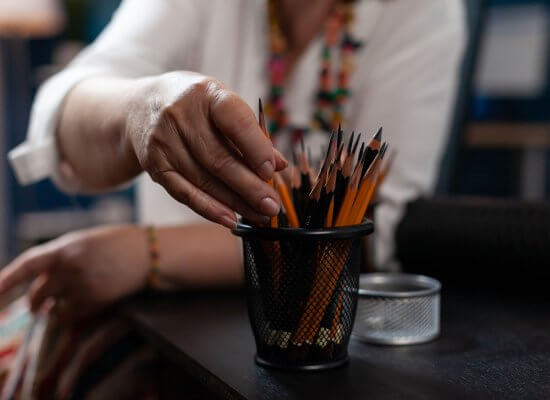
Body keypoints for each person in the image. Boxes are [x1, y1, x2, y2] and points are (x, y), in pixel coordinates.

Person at [4, 0, 465, 322]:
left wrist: (147, 254)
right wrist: (140, 110)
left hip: (325, 327)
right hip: (168, 322)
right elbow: (63, 107)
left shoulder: (423, 12)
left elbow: (374, 233)